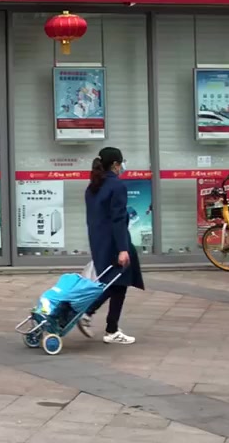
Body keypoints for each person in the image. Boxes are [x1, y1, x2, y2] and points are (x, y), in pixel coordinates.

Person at [78, 146, 144, 344]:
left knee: (116, 283)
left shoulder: (93, 186)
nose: (123, 166)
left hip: (100, 241)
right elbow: (118, 219)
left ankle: (109, 326)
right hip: (116, 241)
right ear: (115, 164)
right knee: (118, 282)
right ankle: (97, 319)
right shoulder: (117, 186)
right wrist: (123, 248)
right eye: (122, 163)